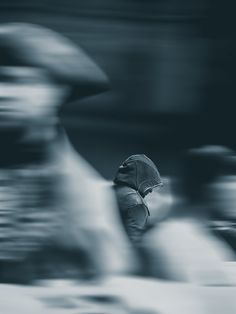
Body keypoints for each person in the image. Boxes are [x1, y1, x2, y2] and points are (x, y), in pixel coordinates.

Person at [0, 22, 133, 283]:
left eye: (19, 81)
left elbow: (108, 272)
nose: (3, 94)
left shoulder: (79, 187)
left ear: (57, 91)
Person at [143, 146, 236, 285]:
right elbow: (203, 295)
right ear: (206, 186)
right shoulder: (172, 238)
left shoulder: (206, 236)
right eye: (229, 180)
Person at [113, 154, 163, 245]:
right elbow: (133, 243)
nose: (151, 190)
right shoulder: (137, 204)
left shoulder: (111, 192)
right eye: (149, 183)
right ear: (142, 178)